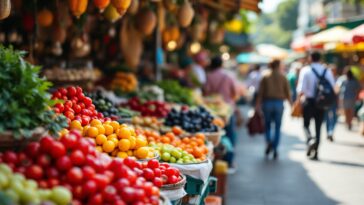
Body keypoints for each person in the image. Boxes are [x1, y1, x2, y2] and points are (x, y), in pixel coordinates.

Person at [296, 51, 335, 160]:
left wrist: (298, 101)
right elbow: (333, 87)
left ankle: (310, 139)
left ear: (310, 58)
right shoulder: (326, 71)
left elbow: (301, 89)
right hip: (321, 102)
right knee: (318, 127)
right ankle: (316, 151)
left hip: (309, 101)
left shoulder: (306, 70)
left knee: (306, 125)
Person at [203, 56, 239, 170]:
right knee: (230, 135)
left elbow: (205, 92)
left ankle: (214, 162)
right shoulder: (229, 76)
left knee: (214, 136)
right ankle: (229, 161)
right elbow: (234, 93)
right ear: (221, 64)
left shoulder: (208, 76)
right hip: (226, 110)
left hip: (212, 110)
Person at [256, 60, 291, 159]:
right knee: (277, 126)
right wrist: (291, 105)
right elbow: (288, 92)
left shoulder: (265, 76)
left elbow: (260, 93)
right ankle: (275, 147)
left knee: (267, 125)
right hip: (279, 103)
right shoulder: (283, 76)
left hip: (267, 103)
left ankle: (269, 142)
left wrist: (257, 105)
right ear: (279, 65)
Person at [325, 65, 339, 142]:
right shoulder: (329, 79)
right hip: (328, 101)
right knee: (328, 117)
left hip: (333, 101)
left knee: (333, 118)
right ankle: (329, 132)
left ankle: (330, 132)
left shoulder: (336, 79)